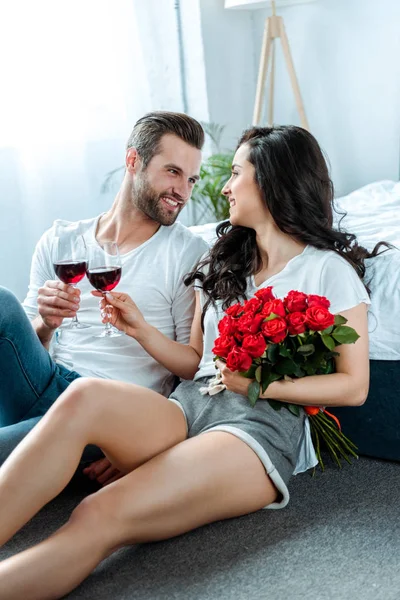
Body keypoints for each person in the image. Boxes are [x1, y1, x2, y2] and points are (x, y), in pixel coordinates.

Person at [0, 125, 385, 599]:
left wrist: (258, 386)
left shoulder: (328, 270)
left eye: (236, 173)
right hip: (187, 407)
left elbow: (353, 388)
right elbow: (193, 361)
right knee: (83, 395)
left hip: (253, 428)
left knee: (99, 512)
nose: (224, 186)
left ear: (269, 181)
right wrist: (139, 327)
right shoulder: (225, 262)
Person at [0, 111, 208, 479]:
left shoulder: (186, 253)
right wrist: (46, 325)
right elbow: (20, 354)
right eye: (172, 172)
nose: (183, 191)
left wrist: (147, 439)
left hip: (110, 410)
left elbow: (193, 369)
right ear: (133, 161)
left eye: (191, 179)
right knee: (4, 304)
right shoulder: (61, 240)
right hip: (50, 384)